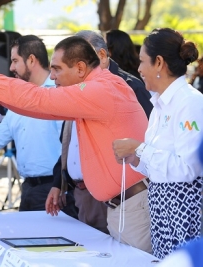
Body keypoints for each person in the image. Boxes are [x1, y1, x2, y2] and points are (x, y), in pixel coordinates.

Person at [0, 36, 150, 251]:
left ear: (81, 68)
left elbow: (40, 100)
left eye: (57, 69)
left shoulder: (101, 89)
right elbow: (38, 108)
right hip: (119, 205)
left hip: (131, 207)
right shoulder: (97, 87)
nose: (52, 76)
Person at [48, 30, 153, 236]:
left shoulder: (128, 87)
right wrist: (58, 182)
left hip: (122, 198)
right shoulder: (74, 88)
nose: (81, 67)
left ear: (102, 56)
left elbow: (148, 142)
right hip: (82, 194)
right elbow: (71, 144)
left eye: (85, 59)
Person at [112, 28, 203, 259]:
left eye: (142, 62)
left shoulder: (190, 103)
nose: (139, 69)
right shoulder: (160, 105)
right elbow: (158, 165)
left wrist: (138, 148)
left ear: (159, 63)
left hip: (184, 209)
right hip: (162, 206)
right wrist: (135, 158)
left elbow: (188, 168)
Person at [0, 35, 77, 216]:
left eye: (15, 61)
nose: (10, 67)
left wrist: (60, 186)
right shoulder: (19, 99)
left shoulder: (58, 94)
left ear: (31, 60)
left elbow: (70, 148)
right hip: (28, 189)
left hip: (54, 192)